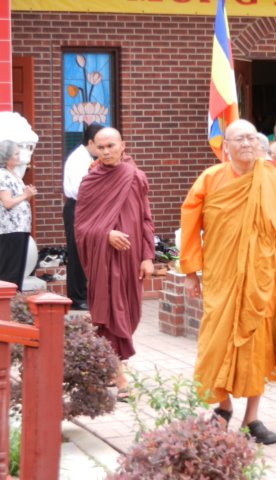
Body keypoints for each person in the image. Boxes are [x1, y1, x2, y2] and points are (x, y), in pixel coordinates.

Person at [180, 119, 276, 445]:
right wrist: (191, 273)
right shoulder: (211, 179)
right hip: (221, 276)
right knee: (216, 342)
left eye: (251, 138)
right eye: (239, 139)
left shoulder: (271, 178)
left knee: (257, 346)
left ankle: (252, 419)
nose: (247, 143)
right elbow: (190, 226)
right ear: (226, 147)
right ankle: (223, 408)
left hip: (263, 276)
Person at [75, 127, 155, 398]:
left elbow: (145, 219)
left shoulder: (136, 177)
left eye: (111, 145)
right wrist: (105, 234)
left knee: (129, 314)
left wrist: (147, 257)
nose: (106, 151)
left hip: (131, 257)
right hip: (103, 259)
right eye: (101, 147)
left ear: (123, 146)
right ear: (94, 148)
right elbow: (81, 227)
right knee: (111, 314)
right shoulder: (90, 182)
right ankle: (120, 379)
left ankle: (109, 368)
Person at [63, 123, 104, 310]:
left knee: (84, 252)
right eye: (100, 145)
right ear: (91, 142)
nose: (103, 150)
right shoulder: (79, 159)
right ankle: (76, 298)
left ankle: (82, 294)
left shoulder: (86, 157)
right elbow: (80, 189)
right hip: (78, 207)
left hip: (84, 208)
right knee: (77, 253)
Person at [0, 140, 38, 290]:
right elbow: (7, 202)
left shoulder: (14, 174)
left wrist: (27, 195)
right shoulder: (2, 175)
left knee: (18, 269)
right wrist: (25, 195)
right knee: (10, 268)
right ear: (6, 157)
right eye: (16, 154)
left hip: (20, 228)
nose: (19, 156)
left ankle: (15, 296)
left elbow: (18, 200)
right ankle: (6, 298)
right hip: (10, 229)